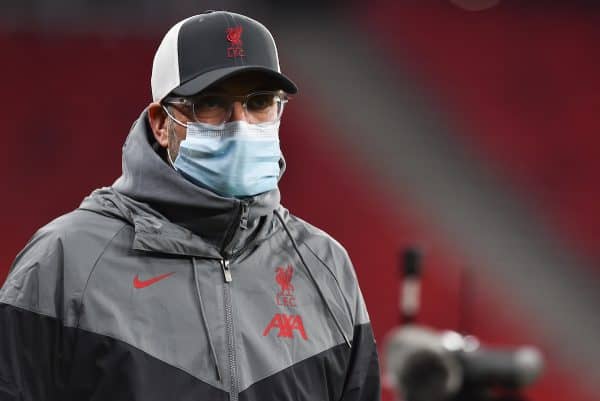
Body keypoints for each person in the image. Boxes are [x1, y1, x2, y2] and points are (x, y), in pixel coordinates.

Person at [0, 11, 380, 401]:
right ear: (161, 123)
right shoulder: (64, 262)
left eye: (260, 102)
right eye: (211, 104)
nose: (241, 125)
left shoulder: (325, 266)